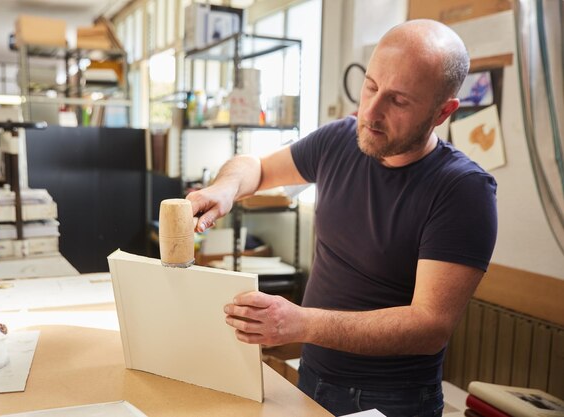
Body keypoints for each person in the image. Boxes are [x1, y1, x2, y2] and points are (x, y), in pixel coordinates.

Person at [186, 19, 497, 417]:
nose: (371, 112)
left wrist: (301, 324)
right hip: (314, 376)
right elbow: (256, 167)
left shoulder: (463, 190)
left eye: (398, 101)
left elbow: (429, 326)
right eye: (371, 86)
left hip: (393, 400)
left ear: (442, 113)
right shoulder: (339, 140)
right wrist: (225, 189)